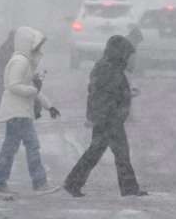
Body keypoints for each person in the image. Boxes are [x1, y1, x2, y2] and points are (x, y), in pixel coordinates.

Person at [63, 35, 148, 198]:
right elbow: (101, 95)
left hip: (107, 117)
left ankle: (73, 183)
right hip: (109, 119)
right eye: (129, 56)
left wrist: (127, 94)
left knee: (96, 151)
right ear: (121, 54)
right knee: (119, 153)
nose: (132, 60)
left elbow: (108, 93)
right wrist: (105, 118)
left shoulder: (109, 67)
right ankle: (128, 188)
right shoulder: (108, 69)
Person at [0, 26, 61, 194]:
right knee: (32, 146)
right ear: (26, 44)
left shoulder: (23, 62)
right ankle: (39, 182)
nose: (37, 50)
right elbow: (13, 86)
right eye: (35, 46)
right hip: (18, 113)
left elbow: (32, 88)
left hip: (18, 112)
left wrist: (48, 105)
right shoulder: (20, 62)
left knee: (10, 148)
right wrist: (34, 89)